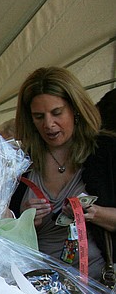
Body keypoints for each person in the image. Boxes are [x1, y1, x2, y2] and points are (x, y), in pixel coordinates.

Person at [9, 67, 116, 282]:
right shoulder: (20, 162)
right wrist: (21, 220)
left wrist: (93, 213)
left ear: (75, 109)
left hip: (100, 286)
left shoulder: (106, 150)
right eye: (39, 117)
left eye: (57, 113)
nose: (49, 124)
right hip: (38, 288)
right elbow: (1, 233)